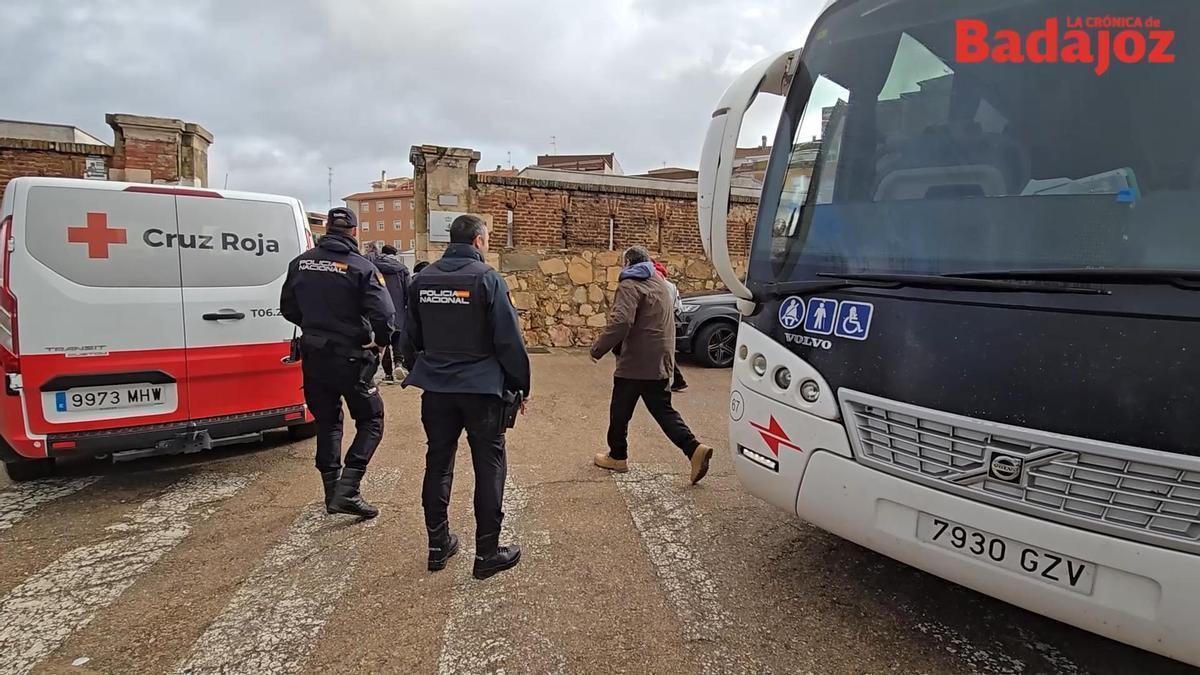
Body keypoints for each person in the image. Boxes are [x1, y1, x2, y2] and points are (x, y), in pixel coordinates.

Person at [401, 214, 531, 579]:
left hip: (437, 390)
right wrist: (520, 386)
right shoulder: (488, 279)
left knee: (438, 463)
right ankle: (487, 553)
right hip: (482, 390)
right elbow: (509, 340)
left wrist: (429, 369)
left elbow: (409, 339)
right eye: (487, 239)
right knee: (488, 466)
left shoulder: (422, 279)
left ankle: (437, 544)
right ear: (478, 241)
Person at [280, 207, 395, 519]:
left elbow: (288, 308)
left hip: (314, 353)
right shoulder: (360, 267)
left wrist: (316, 326)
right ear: (354, 232)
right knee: (371, 419)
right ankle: (348, 489)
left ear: (327, 228)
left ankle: (333, 493)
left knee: (328, 422)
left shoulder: (300, 263)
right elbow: (384, 315)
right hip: (351, 356)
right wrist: (380, 341)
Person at [590, 246, 713, 484]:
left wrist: (598, 349)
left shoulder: (629, 284)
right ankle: (694, 448)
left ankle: (617, 456)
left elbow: (622, 321)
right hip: (660, 360)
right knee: (663, 411)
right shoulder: (659, 282)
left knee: (620, 412)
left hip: (636, 362)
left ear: (627, 263)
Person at [367, 244, 411, 383]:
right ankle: (398, 363)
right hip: (398, 311)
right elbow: (408, 291)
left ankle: (387, 374)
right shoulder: (401, 269)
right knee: (397, 339)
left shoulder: (373, 266)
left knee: (383, 339)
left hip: (378, 311)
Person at [653, 260, 688, 393]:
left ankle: (672, 381)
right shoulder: (671, 286)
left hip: (658, 320)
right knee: (666, 351)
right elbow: (678, 307)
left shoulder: (655, 284)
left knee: (661, 351)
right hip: (670, 320)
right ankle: (677, 380)